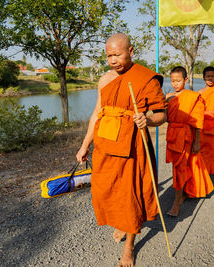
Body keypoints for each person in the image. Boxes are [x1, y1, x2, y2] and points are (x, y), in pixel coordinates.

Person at [76, 33, 167, 267]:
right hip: (106, 143)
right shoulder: (104, 80)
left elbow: (161, 114)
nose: (113, 60)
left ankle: (129, 245)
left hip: (133, 144)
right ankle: (121, 222)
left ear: (131, 51)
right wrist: (85, 144)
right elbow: (97, 114)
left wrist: (148, 120)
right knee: (108, 189)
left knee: (130, 193)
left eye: (117, 54)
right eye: (109, 55)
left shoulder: (147, 78)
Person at [165, 66, 213, 217]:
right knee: (178, 167)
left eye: (178, 80)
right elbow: (166, 118)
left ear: (185, 80)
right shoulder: (168, 97)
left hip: (185, 136)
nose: (175, 84)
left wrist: (197, 142)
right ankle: (183, 193)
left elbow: (198, 122)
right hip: (172, 135)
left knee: (180, 168)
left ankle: (176, 202)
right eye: (172, 81)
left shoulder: (193, 97)